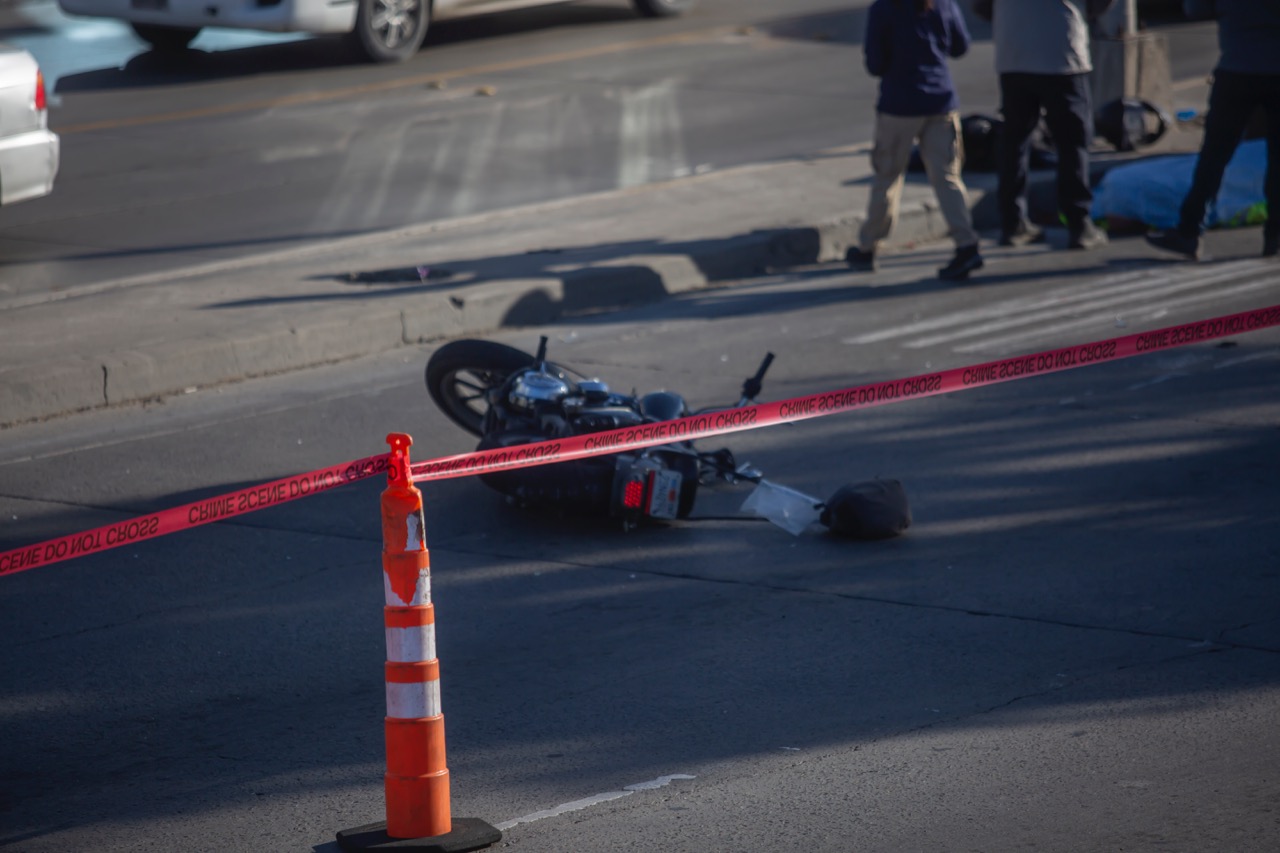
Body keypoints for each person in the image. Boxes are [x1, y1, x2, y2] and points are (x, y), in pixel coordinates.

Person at [845, 0, 984, 281]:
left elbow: (875, 63)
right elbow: (960, 47)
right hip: (941, 102)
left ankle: (869, 246)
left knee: (888, 177)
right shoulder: (943, 4)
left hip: (899, 105)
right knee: (947, 177)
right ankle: (966, 243)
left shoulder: (885, 8)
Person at [973, 0, 1115, 250]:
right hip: (1061, 51)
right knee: (1072, 143)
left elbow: (981, 7)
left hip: (1014, 52)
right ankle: (1078, 222)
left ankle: (1013, 222)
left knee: (1014, 142)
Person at [1146, 0, 1280, 260]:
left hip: (1237, 69)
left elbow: (1195, 9)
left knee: (1214, 156)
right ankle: (1275, 235)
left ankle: (1190, 231)